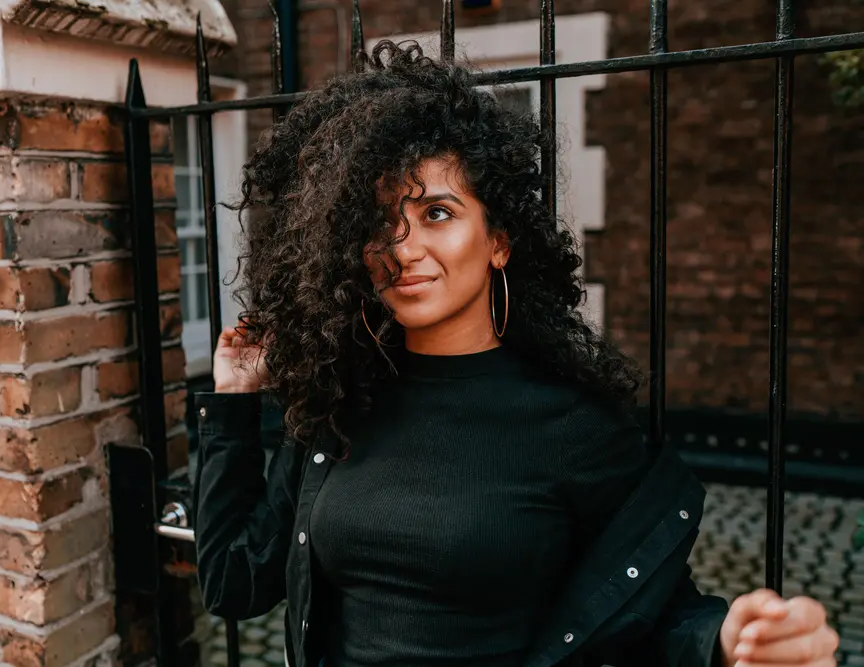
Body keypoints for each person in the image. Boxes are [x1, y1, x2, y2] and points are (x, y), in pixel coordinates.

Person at [193, 41, 839, 667]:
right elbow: (233, 580)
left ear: (499, 240)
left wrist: (730, 642)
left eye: (437, 213)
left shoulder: (572, 423)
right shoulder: (342, 405)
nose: (402, 247)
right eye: (378, 222)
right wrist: (233, 403)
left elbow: (653, 611)